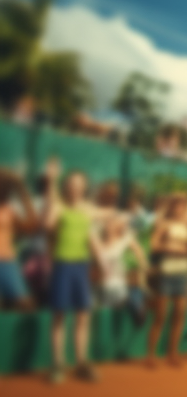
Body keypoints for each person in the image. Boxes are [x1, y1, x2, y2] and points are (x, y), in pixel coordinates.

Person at [41, 159, 102, 384]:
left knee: (83, 316)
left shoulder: (88, 209)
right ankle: (58, 364)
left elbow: (103, 220)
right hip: (62, 265)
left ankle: (81, 363)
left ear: (84, 187)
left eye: (79, 184)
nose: (75, 187)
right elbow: (48, 224)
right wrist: (52, 180)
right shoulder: (58, 206)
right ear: (66, 186)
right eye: (71, 184)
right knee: (59, 315)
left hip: (82, 266)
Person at [145, 178, 187, 368]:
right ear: (172, 207)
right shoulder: (163, 224)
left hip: (183, 273)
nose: (181, 208)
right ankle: (151, 355)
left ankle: (173, 354)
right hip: (166, 272)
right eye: (177, 205)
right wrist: (175, 248)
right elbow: (154, 245)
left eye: (183, 205)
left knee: (180, 314)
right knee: (161, 315)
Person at [0, 168, 38, 310]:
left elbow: (32, 226)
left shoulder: (9, 210)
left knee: (25, 304)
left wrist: (22, 190)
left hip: (7, 261)